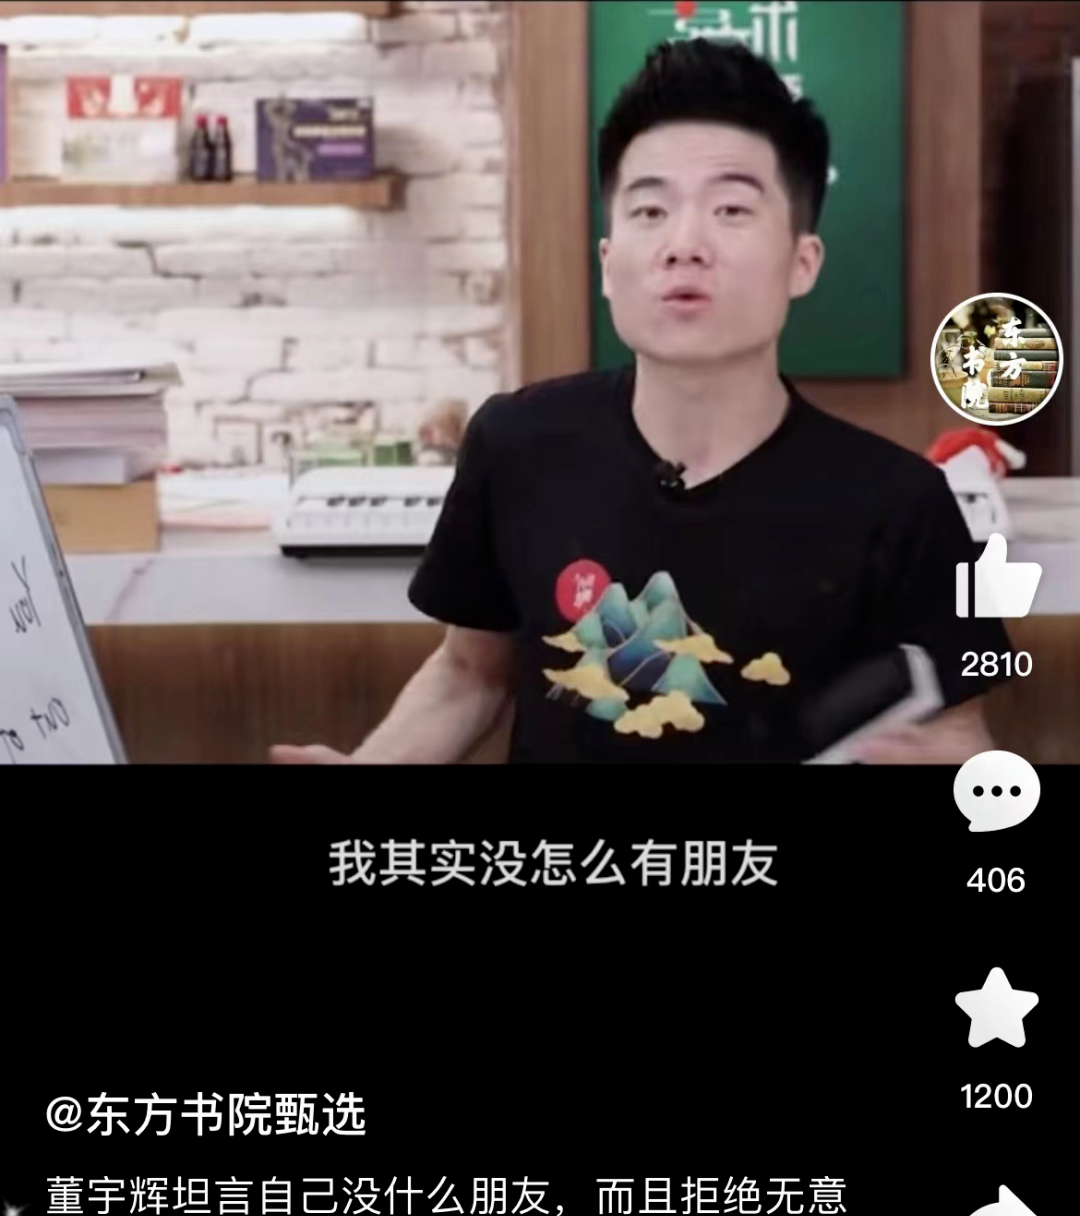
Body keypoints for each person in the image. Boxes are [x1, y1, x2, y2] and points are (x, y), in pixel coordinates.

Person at [270, 39, 1012, 767]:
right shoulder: (518, 444)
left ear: (802, 261)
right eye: (650, 211)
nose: (683, 244)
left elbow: (957, 736)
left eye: (731, 209)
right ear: (608, 263)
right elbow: (470, 674)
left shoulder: (902, 505)